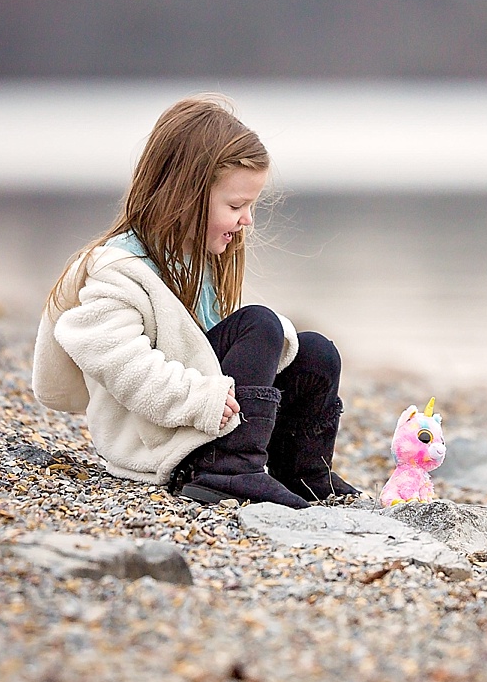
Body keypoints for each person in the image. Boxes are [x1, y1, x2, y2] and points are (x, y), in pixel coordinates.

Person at [31, 93, 359, 510]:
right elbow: (113, 357)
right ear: (184, 196)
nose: (247, 220)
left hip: (203, 423)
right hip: (163, 439)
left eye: (250, 206)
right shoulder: (116, 269)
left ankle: (302, 474)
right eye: (236, 205)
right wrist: (199, 398)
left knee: (316, 352)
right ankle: (227, 472)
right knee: (259, 325)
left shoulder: (196, 263)